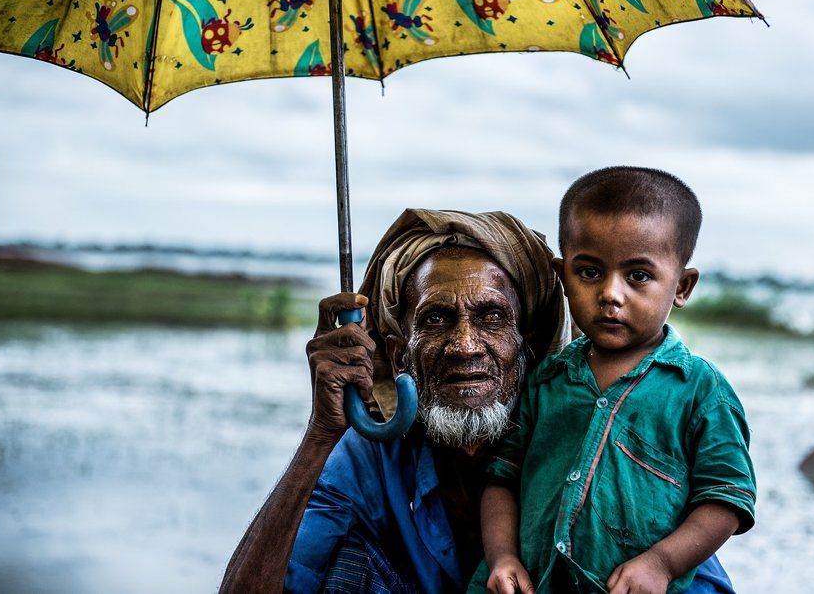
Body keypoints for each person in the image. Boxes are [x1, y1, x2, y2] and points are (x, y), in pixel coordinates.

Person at [219, 208, 737, 594]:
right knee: (349, 564)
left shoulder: (598, 435)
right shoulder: (374, 454)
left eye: (491, 318)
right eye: (436, 320)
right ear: (400, 355)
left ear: (528, 342)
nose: (465, 346)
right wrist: (321, 433)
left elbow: (693, 571)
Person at [474, 168, 756, 594]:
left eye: (638, 276)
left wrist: (661, 564)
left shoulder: (699, 390)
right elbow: (502, 480)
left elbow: (727, 498)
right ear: (562, 275)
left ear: (681, 286)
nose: (611, 294)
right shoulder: (545, 380)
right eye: (589, 272)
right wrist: (503, 558)